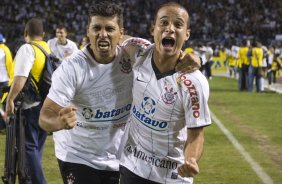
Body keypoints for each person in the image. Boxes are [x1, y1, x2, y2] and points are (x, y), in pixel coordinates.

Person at [39, 1, 201, 184]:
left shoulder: (136, 53)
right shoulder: (72, 68)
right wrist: (59, 121)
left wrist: (192, 57)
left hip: (119, 158)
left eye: (109, 28)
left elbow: (165, 52)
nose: (102, 34)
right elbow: (45, 116)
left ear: (121, 34)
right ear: (87, 32)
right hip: (78, 155)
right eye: (96, 28)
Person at [119, 2, 211, 184]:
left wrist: (191, 159)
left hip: (172, 174)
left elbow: (196, 133)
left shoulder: (194, 82)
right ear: (153, 29)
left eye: (178, 24)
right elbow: (117, 36)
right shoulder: (138, 52)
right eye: (164, 23)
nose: (170, 29)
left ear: (187, 34)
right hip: (133, 165)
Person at [5, 18, 49, 184]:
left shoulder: (27, 48)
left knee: (28, 148)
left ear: (25, 34)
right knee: (36, 149)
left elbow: (21, 77)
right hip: (45, 105)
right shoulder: (47, 48)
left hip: (30, 107)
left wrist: (10, 99)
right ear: (43, 34)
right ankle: (29, 181)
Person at [0, 33, 13, 129]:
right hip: (5, 80)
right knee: (5, 102)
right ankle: (6, 125)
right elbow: (10, 65)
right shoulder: (5, 50)